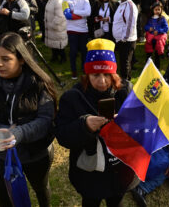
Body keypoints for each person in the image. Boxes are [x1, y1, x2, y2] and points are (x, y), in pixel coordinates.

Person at [0, 32, 57, 207]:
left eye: (6, 59)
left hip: (36, 152)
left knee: (40, 187)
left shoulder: (39, 83)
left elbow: (46, 120)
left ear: (22, 59)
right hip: (3, 155)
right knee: (5, 195)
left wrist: (19, 133)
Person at [55, 38, 135, 207]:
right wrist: (84, 126)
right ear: (87, 74)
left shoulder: (126, 91)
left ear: (114, 73)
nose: (102, 81)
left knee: (117, 201)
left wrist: (126, 123)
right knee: (91, 202)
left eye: (107, 74)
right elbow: (62, 135)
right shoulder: (73, 97)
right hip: (90, 174)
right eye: (95, 75)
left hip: (120, 169)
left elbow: (142, 124)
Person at [131, 140, 169, 207]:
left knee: (164, 162)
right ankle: (143, 186)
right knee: (160, 163)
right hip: (138, 148)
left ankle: (143, 187)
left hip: (161, 147)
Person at [62, 0, 91, 80]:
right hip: (72, 29)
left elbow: (88, 12)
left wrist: (74, 11)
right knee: (73, 51)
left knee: (84, 51)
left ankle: (84, 69)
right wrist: (81, 15)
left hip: (83, 29)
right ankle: (73, 71)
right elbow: (68, 16)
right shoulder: (65, 0)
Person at [112, 0, 138, 81]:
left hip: (127, 40)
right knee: (123, 62)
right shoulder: (121, 4)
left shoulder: (130, 6)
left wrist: (124, 38)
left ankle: (125, 83)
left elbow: (130, 24)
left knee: (125, 63)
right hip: (120, 39)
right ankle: (125, 81)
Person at [44, 0, 67, 64]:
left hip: (57, 27)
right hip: (52, 27)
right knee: (53, 44)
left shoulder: (58, 1)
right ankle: (55, 57)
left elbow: (60, 16)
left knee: (59, 45)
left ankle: (63, 58)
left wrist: (53, 25)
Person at [144, 1, 168, 69]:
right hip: (151, 39)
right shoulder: (150, 19)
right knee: (149, 53)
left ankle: (157, 66)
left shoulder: (162, 19)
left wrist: (159, 31)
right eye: (156, 9)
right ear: (153, 10)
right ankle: (147, 66)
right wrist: (149, 28)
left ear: (161, 10)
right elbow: (145, 27)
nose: (157, 11)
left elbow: (166, 28)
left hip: (158, 39)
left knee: (157, 54)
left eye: (159, 9)